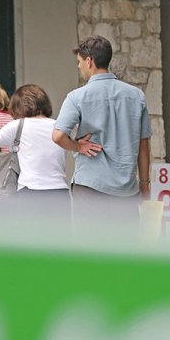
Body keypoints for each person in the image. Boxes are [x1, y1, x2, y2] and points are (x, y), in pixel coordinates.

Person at [52, 35, 152, 232]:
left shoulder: (77, 97)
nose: (79, 67)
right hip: (126, 190)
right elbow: (143, 145)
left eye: (79, 62)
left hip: (90, 187)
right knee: (124, 252)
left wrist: (78, 146)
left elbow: (58, 136)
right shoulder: (136, 96)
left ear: (89, 61)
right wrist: (144, 183)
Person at [0, 84, 70, 217]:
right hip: (60, 193)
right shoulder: (58, 127)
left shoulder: (18, 126)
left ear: (17, 106)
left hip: (30, 193)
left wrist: (11, 146)